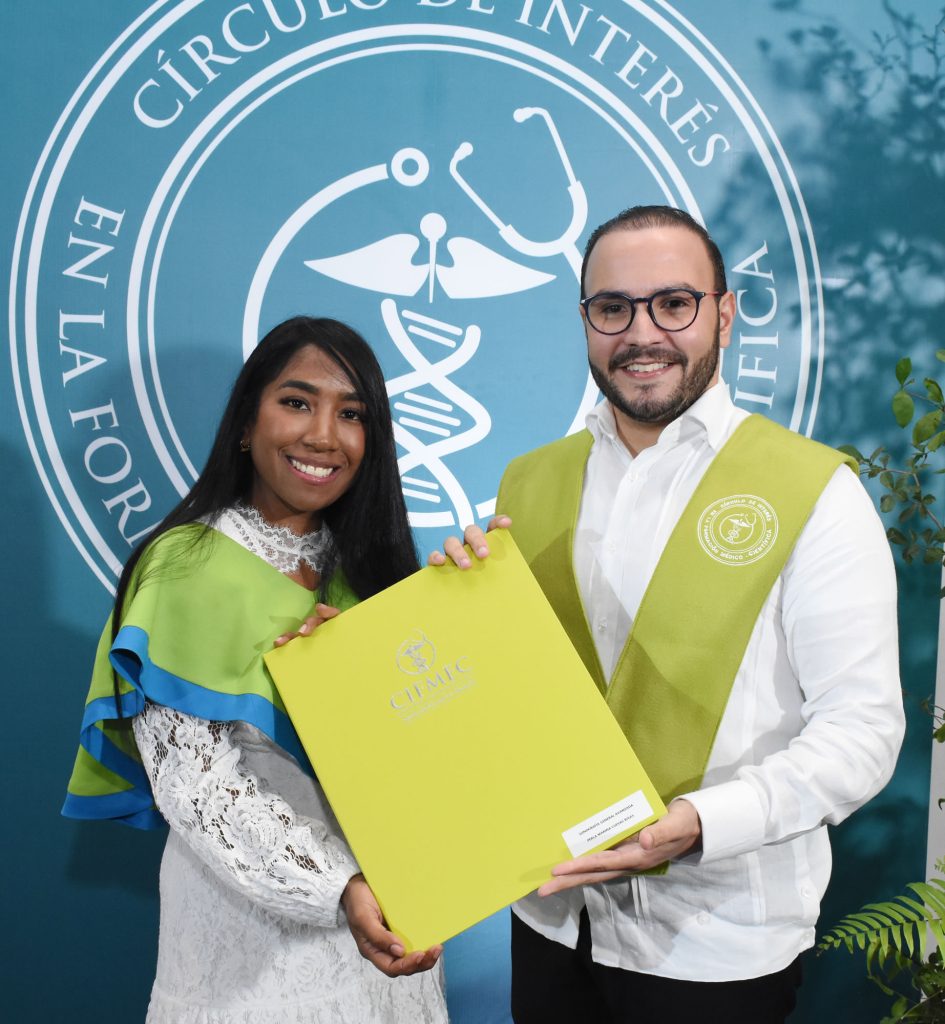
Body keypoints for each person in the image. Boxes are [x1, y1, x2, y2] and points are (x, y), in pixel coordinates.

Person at [433, 206, 905, 1023]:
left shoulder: (814, 493)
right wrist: (434, 624)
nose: (641, 333)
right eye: (612, 308)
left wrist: (696, 823)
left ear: (723, 314)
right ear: (584, 320)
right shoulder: (528, 481)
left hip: (713, 940)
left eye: (673, 303)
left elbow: (862, 732)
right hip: (548, 917)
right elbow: (505, 696)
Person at [63, 317, 448, 1024]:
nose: (324, 435)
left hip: (395, 930)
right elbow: (196, 785)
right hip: (255, 952)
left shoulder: (373, 575)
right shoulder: (184, 565)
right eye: (297, 402)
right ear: (246, 423)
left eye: (352, 414)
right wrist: (339, 888)